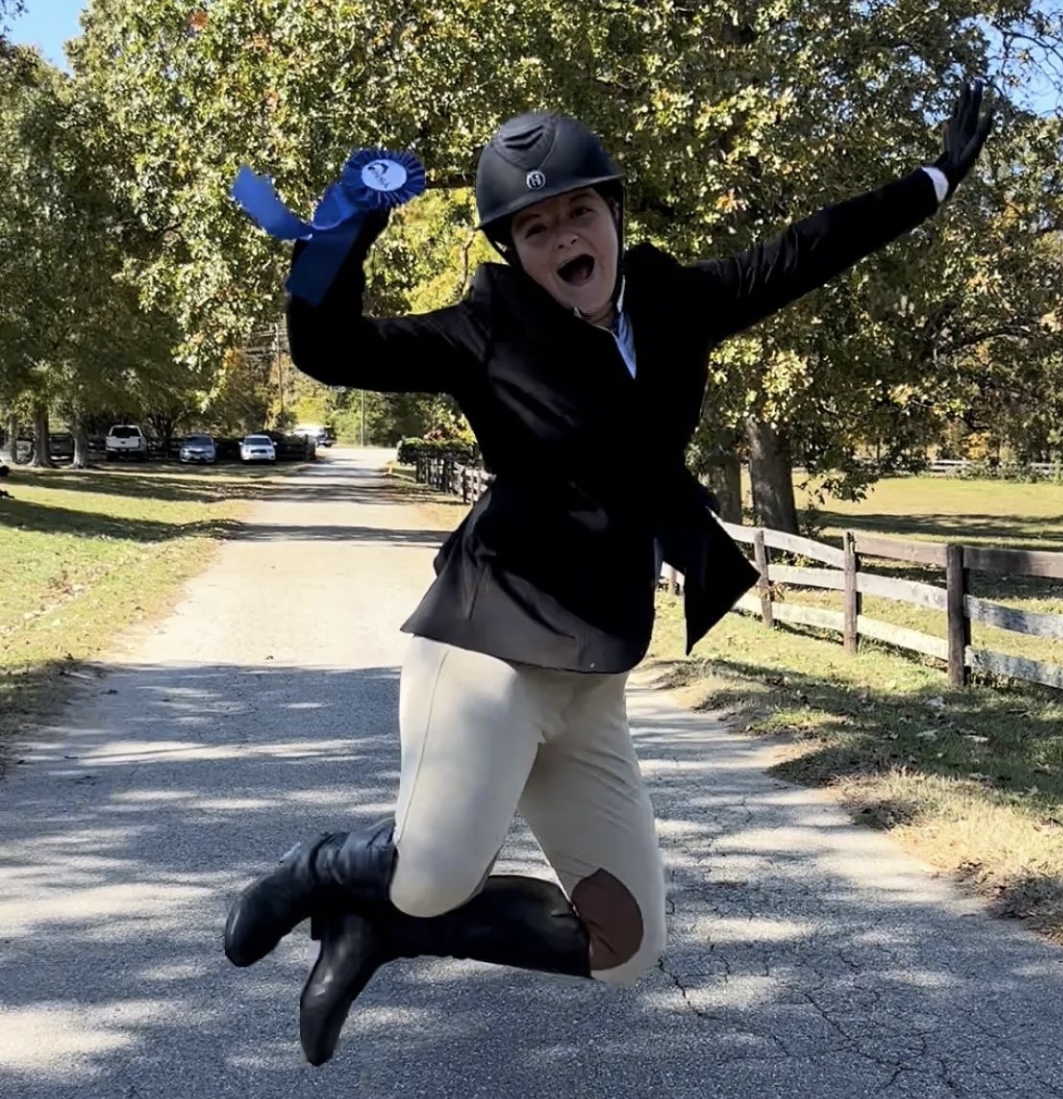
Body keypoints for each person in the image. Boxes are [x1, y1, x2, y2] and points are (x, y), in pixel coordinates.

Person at [223, 80, 994, 1065]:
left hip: (593, 675)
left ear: (613, 215)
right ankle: (324, 871)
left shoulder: (675, 302)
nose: (564, 238)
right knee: (431, 870)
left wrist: (931, 183)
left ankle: (382, 927)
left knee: (624, 948)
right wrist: (341, 238)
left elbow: (808, 250)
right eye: (536, 228)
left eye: (579, 211)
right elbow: (330, 350)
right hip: (488, 646)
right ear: (513, 250)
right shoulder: (483, 332)